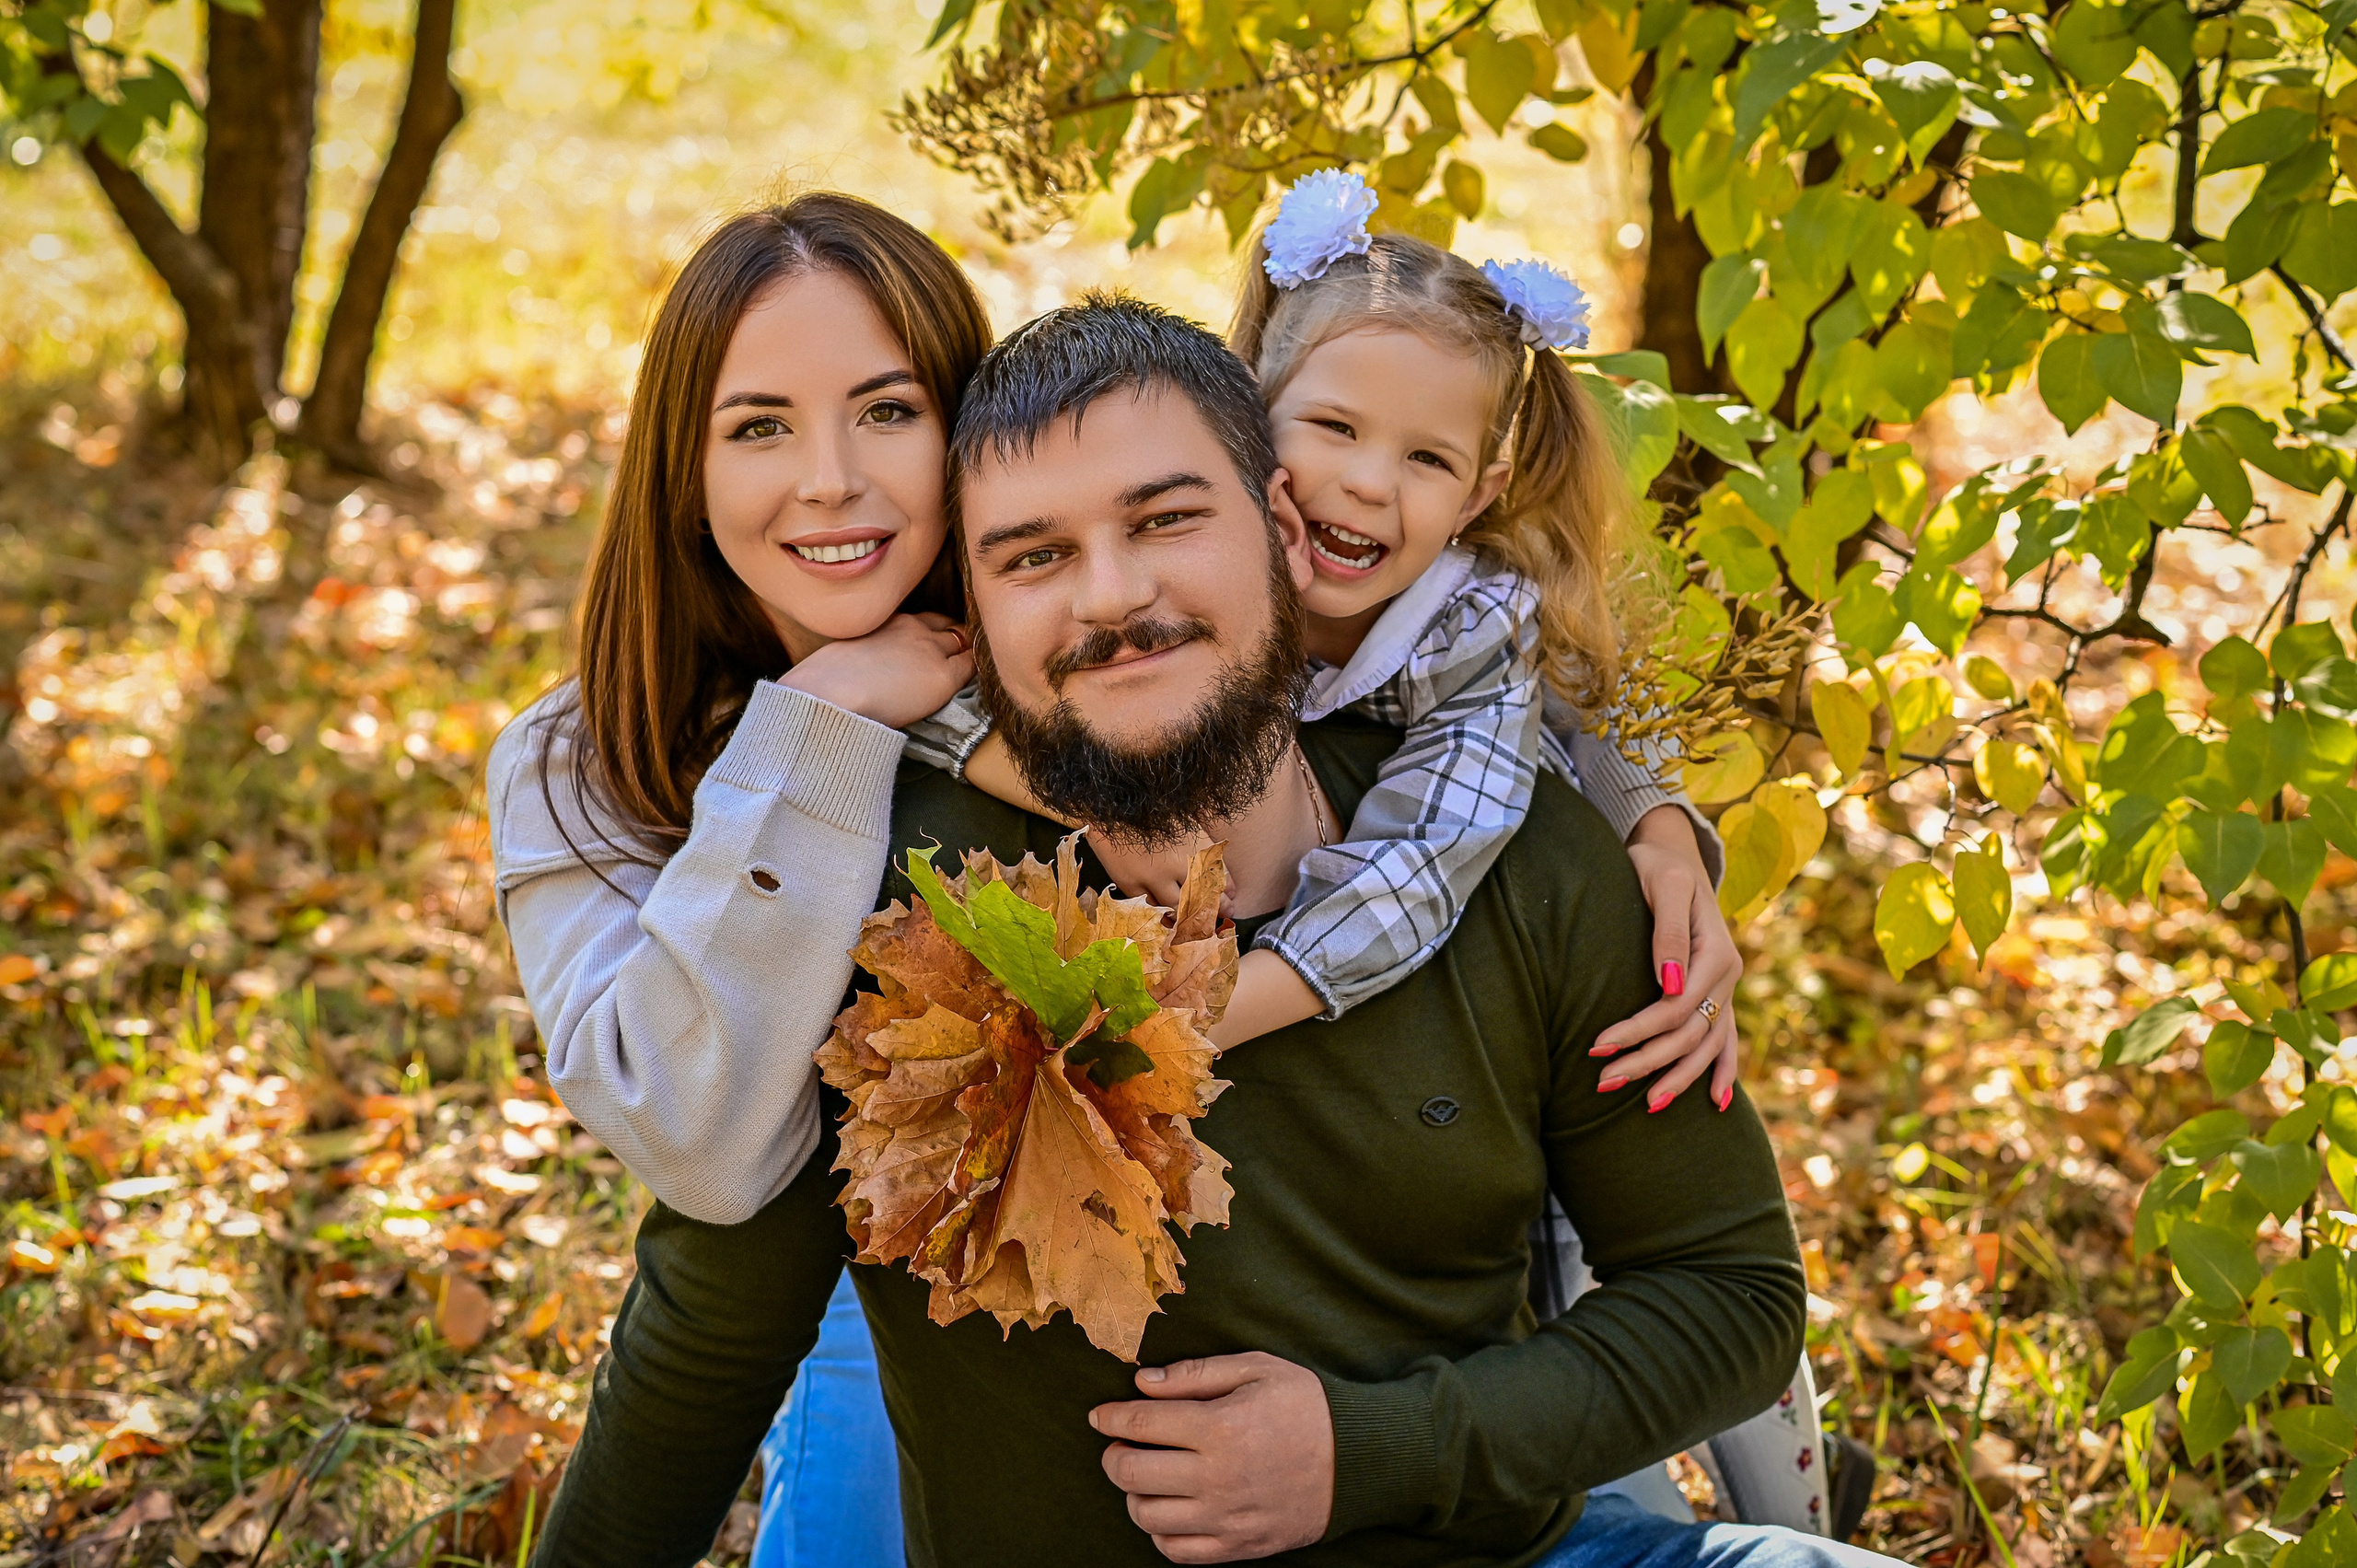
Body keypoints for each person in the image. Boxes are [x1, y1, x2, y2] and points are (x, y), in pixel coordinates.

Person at [523, 291, 1899, 1568]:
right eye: (1032, 556)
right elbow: (700, 1350)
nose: (1111, 594)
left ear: (1283, 526)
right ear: (973, 618)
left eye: (1168, 519)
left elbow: (1727, 1292)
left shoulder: (1522, 857)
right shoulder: (885, 912)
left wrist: (1367, 1451)